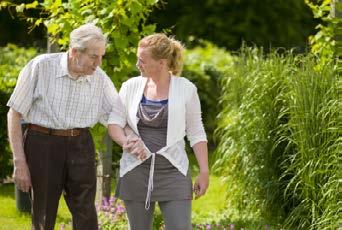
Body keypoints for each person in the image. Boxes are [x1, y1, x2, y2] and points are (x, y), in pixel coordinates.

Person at [6, 23, 143, 230]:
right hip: (42, 144)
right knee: (44, 212)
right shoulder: (41, 67)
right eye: (94, 56)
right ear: (74, 52)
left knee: (86, 211)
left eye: (101, 56)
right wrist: (19, 161)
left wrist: (133, 137)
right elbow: (15, 113)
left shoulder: (99, 79)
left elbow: (117, 116)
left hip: (81, 144)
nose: (98, 63)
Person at [108, 33, 209, 230]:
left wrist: (204, 171)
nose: (138, 64)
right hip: (135, 170)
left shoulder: (186, 89)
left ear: (162, 63)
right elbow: (114, 123)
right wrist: (125, 142)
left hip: (173, 170)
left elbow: (196, 132)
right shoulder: (131, 86)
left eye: (142, 60)